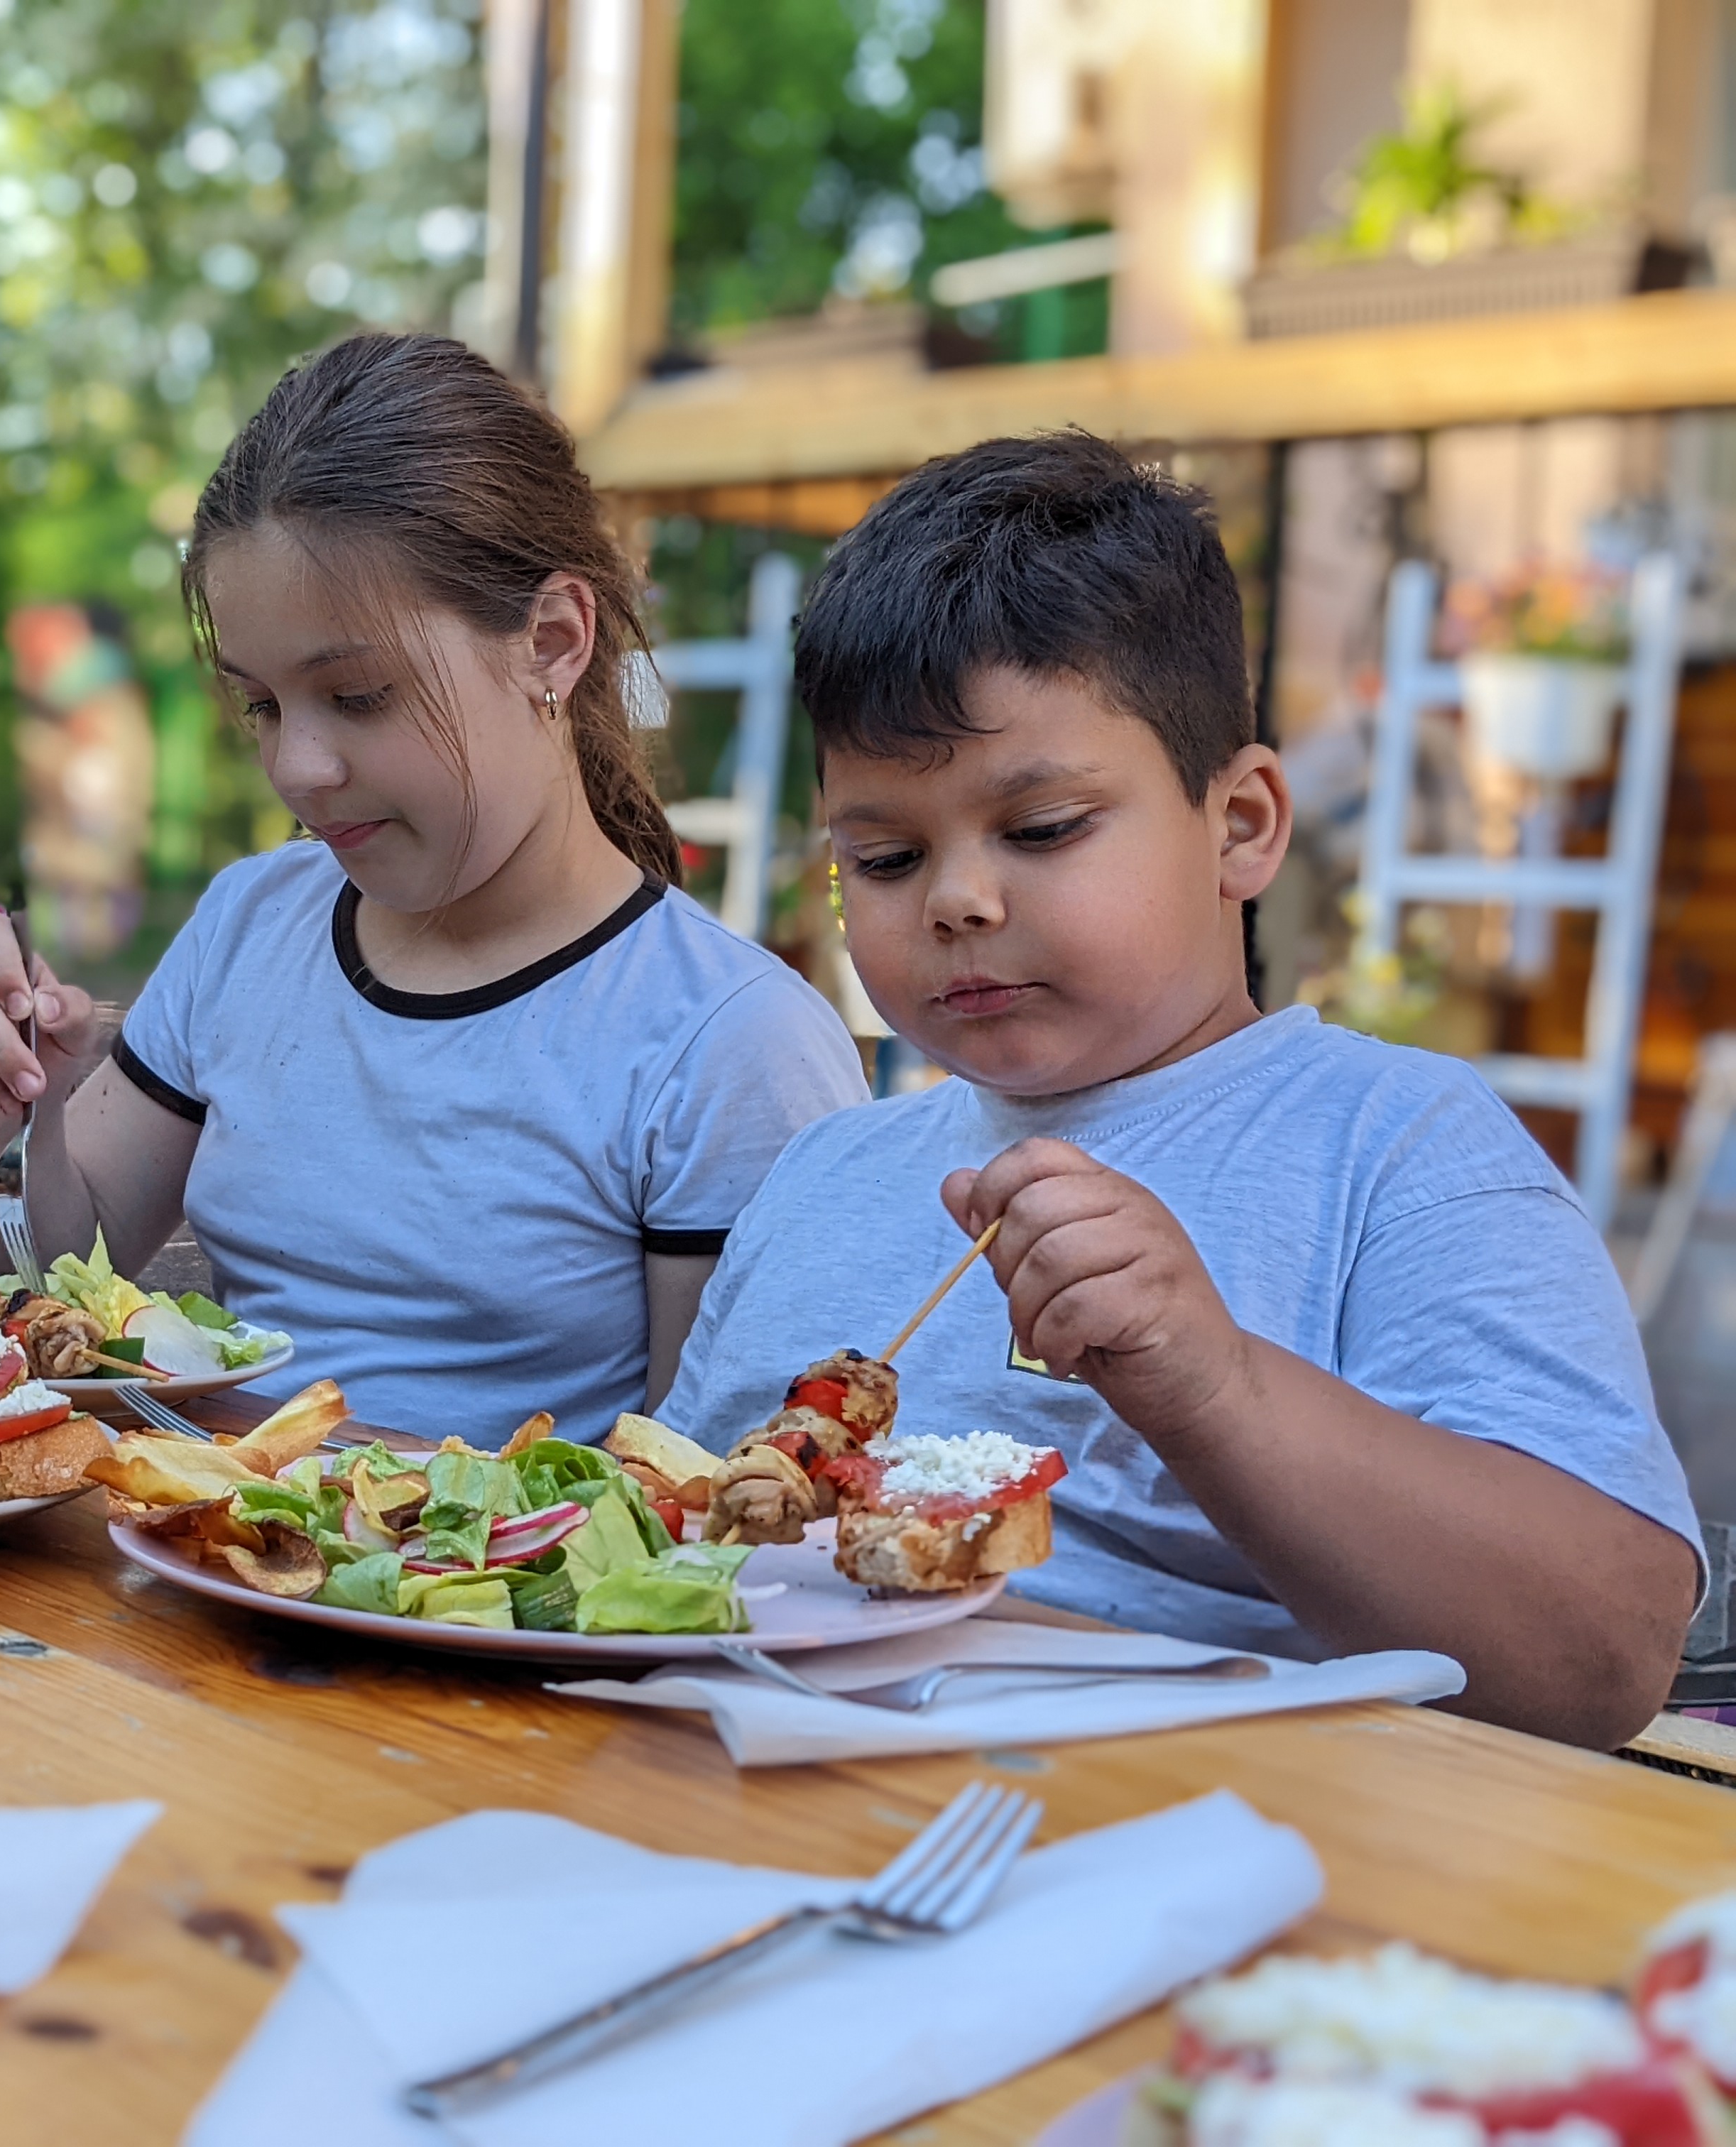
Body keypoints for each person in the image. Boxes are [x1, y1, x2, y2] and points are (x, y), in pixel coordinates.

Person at [657, 430, 1700, 1747]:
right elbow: (668, 1562)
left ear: (1242, 824)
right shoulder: (824, 1176)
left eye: (1041, 830)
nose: (959, 899)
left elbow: (1603, 1657)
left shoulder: (1395, 1148)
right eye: (881, 855)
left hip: (1205, 1845)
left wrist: (1209, 1381)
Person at [0, 334, 867, 1439]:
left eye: (357, 696)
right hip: (180, 1570)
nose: (296, 767)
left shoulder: (727, 1043)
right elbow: (46, 1280)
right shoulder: (252, 925)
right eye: (262, 706)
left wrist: (358, 1501)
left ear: (552, 642)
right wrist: (4, 1116)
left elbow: (710, 1493)